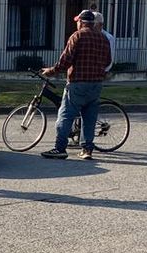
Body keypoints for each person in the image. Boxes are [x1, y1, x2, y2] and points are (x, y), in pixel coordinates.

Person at [40, 8, 112, 160]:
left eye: (77, 22)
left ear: (81, 22)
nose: (77, 24)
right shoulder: (103, 38)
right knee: (89, 118)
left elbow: (65, 60)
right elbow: (107, 61)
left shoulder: (77, 36)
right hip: (96, 84)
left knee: (65, 116)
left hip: (78, 83)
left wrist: (51, 71)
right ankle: (87, 150)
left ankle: (60, 148)